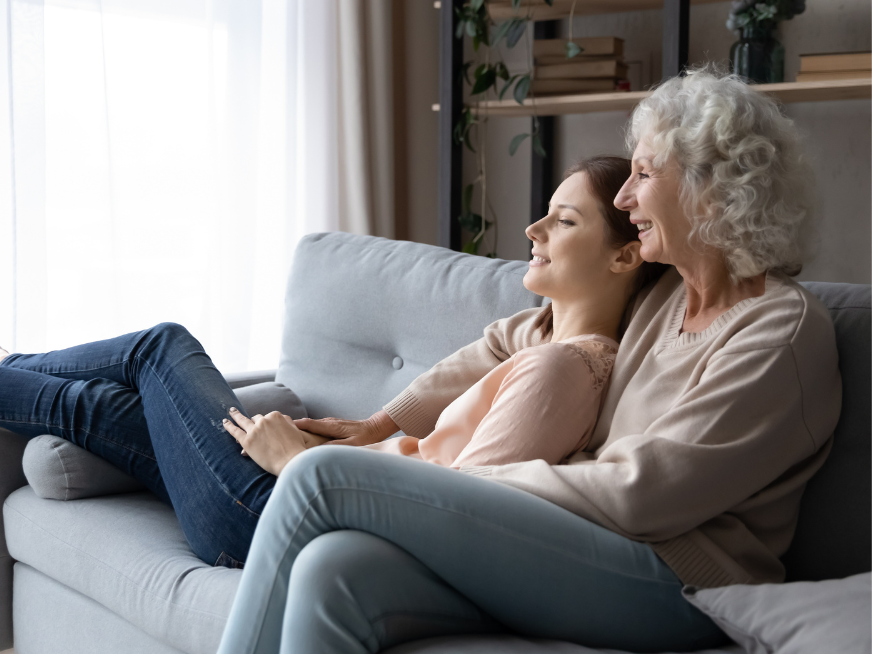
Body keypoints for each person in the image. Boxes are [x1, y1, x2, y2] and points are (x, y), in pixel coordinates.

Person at [214, 63, 841, 654]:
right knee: (334, 568)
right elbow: (517, 336)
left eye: (645, 175)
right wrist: (382, 424)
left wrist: (461, 484)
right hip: (584, 544)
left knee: (317, 474)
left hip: (679, 581)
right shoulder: (665, 291)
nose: (624, 198)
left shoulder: (779, 333)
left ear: (712, 190)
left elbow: (640, 494)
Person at [222, 156, 663, 476]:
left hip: (313, 500)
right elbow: (497, 343)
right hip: (330, 480)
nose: (532, 231)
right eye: (544, 215)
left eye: (564, 222)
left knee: (159, 349)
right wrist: (378, 425)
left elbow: (454, 503)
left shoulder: (560, 369)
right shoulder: (542, 337)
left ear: (624, 258)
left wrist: (293, 461)